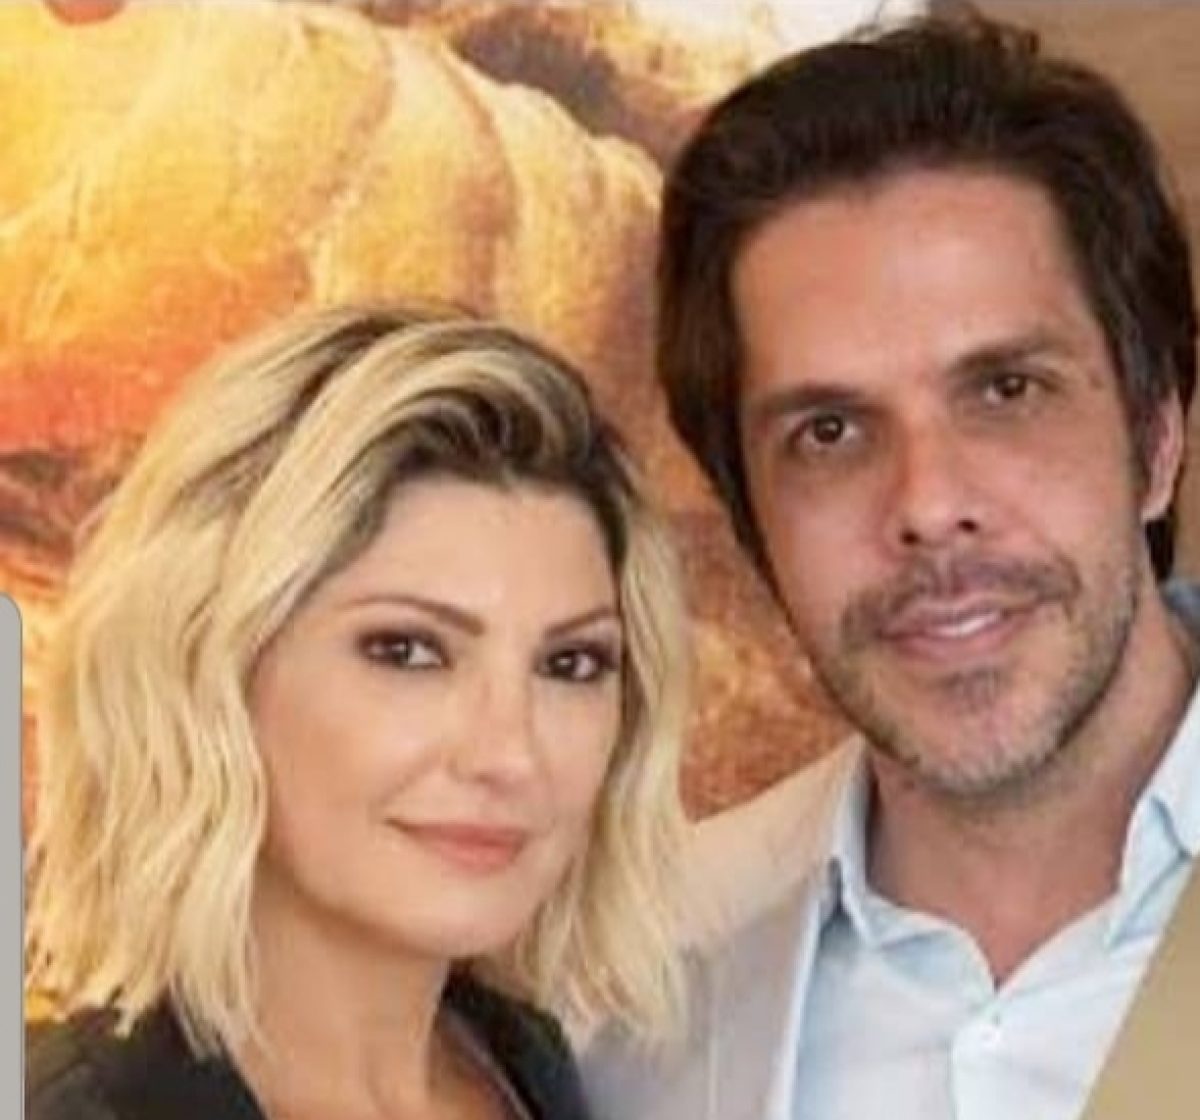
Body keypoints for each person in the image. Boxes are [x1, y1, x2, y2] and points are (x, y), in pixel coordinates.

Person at [582, 9, 1199, 1120]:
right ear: (747, 519)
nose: (927, 506)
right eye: (828, 432)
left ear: (1157, 438)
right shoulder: (626, 998)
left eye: (1005, 391)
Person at [24, 305, 688, 1119]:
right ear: (210, 666)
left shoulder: (535, 1065)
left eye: (570, 664)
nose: (510, 754)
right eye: (407, 650)